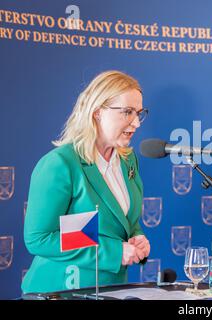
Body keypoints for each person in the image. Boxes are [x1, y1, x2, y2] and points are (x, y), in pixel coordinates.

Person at [22, 70, 151, 294]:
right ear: (98, 112)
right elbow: (39, 239)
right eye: (128, 112)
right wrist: (114, 252)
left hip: (111, 289)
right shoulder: (60, 164)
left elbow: (122, 221)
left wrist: (136, 237)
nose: (137, 123)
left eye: (139, 113)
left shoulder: (128, 160)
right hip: (60, 291)